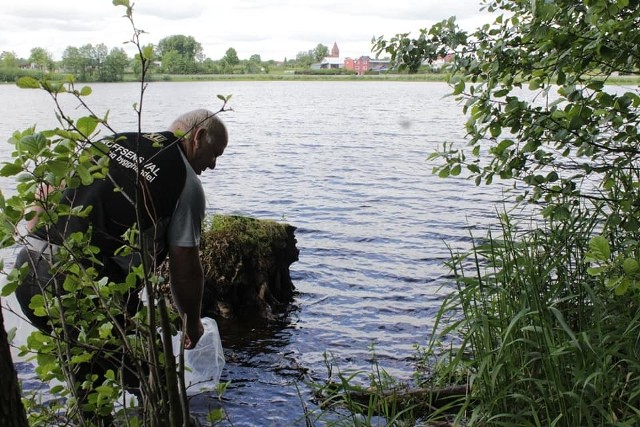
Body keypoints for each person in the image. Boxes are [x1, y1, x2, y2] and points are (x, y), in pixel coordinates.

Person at [13, 108, 228, 410]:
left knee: (90, 378)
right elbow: (185, 270)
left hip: (27, 274)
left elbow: (45, 190)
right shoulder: (186, 183)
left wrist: (40, 246)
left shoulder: (115, 141)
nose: (214, 165)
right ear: (199, 137)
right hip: (84, 290)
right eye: (214, 154)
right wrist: (192, 322)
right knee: (158, 376)